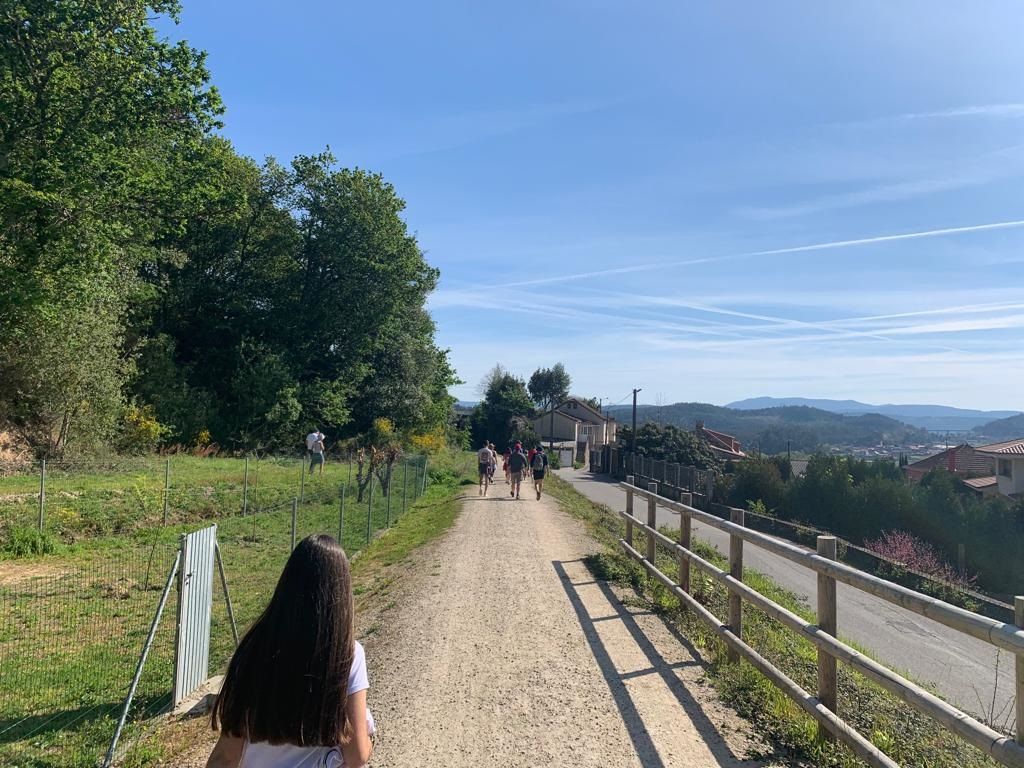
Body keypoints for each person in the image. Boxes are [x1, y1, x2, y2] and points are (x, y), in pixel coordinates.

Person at [205, 534, 374, 768]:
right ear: (342, 594)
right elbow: (357, 756)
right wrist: (367, 736)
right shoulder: (348, 655)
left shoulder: (252, 650)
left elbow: (228, 755)